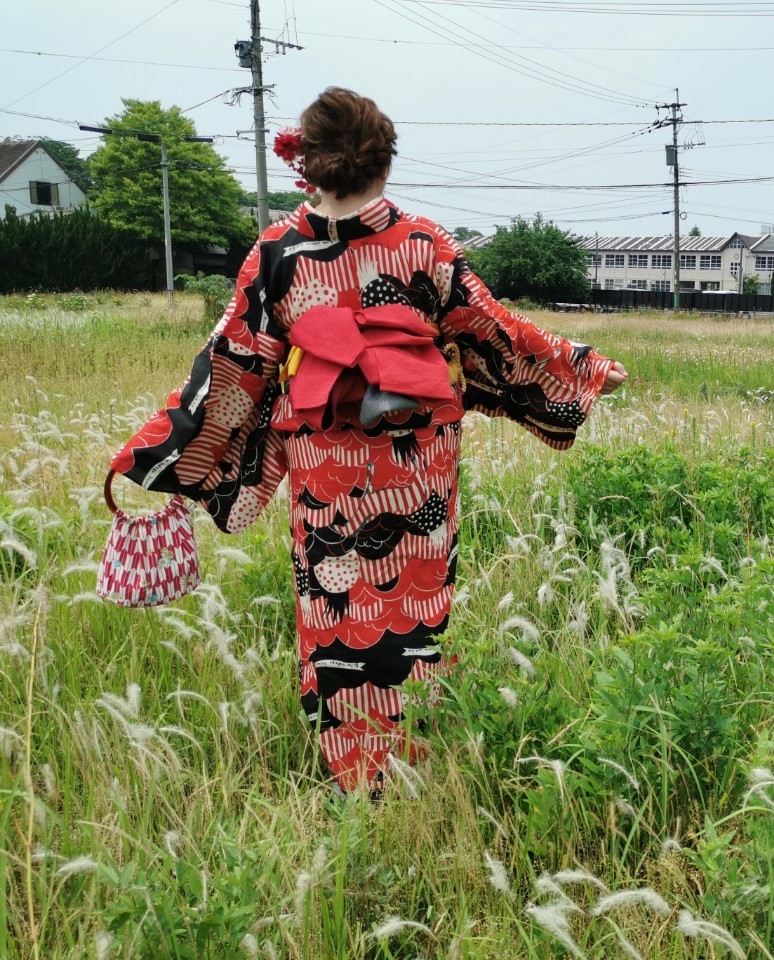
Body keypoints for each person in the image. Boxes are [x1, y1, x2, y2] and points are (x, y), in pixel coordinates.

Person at [109, 87, 627, 793]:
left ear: (309, 167)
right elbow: (499, 335)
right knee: (413, 595)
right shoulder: (423, 245)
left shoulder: (277, 255)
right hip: (417, 462)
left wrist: (163, 445)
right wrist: (584, 371)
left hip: (327, 467)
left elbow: (232, 366)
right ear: (383, 163)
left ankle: (351, 765)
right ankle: (410, 751)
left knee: (336, 600)